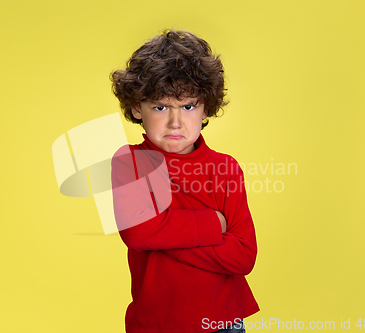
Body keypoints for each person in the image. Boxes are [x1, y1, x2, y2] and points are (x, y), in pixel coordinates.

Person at [109, 28, 259, 333]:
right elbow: (139, 234)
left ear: (206, 107)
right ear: (137, 107)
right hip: (155, 323)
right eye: (161, 107)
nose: (176, 122)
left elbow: (243, 256)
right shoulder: (129, 162)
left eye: (188, 106)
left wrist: (162, 234)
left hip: (223, 323)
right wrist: (212, 225)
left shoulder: (225, 169)